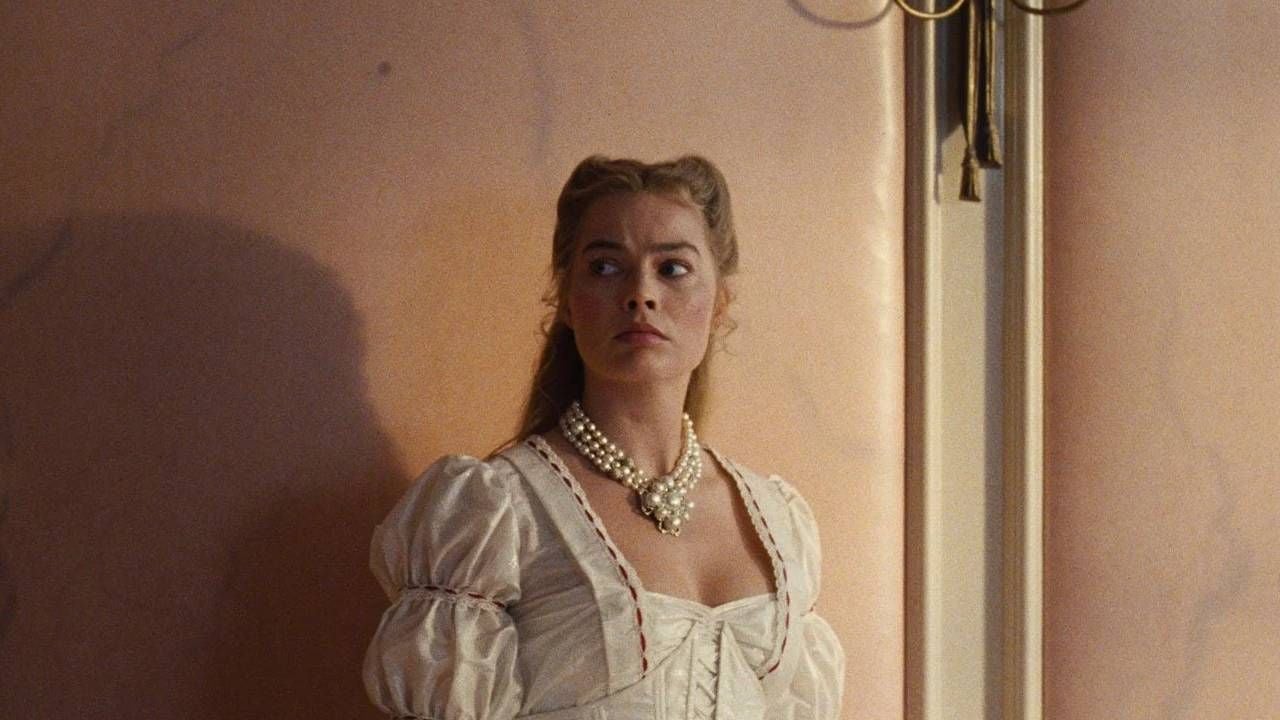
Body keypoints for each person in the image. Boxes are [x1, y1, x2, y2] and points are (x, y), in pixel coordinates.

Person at [362, 155, 845, 718]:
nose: (641, 294)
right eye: (607, 267)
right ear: (567, 299)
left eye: (673, 268)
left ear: (720, 304)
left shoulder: (780, 521)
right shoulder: (494, 511)